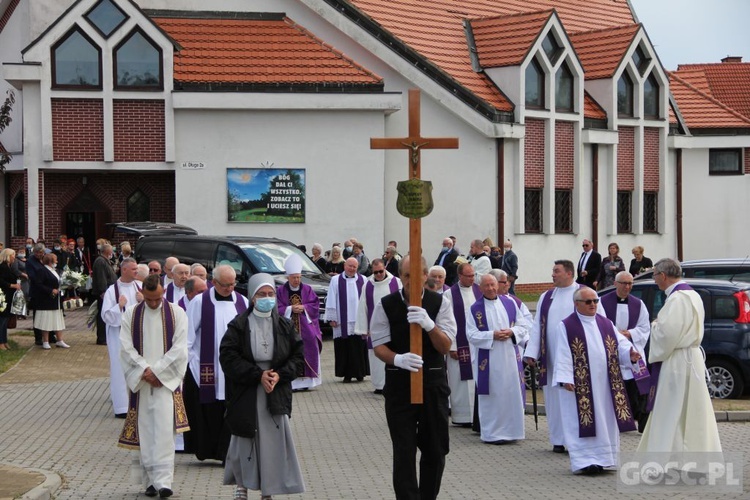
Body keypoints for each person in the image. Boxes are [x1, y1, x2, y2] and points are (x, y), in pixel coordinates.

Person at [370, 255, 455, 500]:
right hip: (399, 387)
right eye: (406, 275)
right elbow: (379, 344)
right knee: (404, 451)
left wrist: (430, 325)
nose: (411, 280)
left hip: (433, 385)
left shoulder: (440, 303)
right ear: (400, 276)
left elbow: (445, 345)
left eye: (416, 274)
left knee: (436, 449)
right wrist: (397, 359)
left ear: (426, 275)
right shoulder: (386, 304)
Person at [220, 273, 306, 500]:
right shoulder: (239, 325)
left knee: (272, 442)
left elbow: (298, 357)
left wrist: (278, 375)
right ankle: (242, 484)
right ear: (252, 297)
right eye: (262, 294)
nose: (267, 298)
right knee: (244, 438)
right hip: (248, 389)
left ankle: (270, 487)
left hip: (274, 390)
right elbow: (228, 357)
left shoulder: (285, 325)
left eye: (271, 294)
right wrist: (258, 375)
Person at [637, 258, 721, 455]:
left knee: (672, 410)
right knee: (691, 411)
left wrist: (654, 325)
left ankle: (670, 461)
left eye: (655, 275)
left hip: (677, 361)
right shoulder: (692, 294)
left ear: (663, 276)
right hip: (691, 359)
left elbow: (668, 335)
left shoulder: (677, 298)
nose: (655, 280)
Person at [553, 287, 640, 474]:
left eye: (595, 301)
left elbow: (621, 344)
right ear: (577, 304)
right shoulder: (567, 325)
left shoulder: (606, 323)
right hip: (579, 384)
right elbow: (562, 352)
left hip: (606, 383)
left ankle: (605, 459)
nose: (593, 304)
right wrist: (565, 377)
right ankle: (584, 461)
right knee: (580, 420)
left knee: (606, 420)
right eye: (588, 302)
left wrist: (630, 353)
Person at [118, 274, 189, 499]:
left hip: (164, 383)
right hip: (142, 382)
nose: (153, 304)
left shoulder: (177, 313)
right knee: (145, 431)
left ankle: (164, 481)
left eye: (157, 299)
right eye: (149, 300)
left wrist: (158, 371)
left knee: (165, 432)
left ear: (163, 292)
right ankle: (149, 481)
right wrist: (144, 370)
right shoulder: (132, 314)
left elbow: (179, 348)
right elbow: (126, 347)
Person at [524, 260, 603, 453]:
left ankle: (576, 439)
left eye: (556, 271)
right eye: (553, 271)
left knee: (575, 399)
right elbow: (537, 327)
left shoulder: (585, 294)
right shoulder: (547, 296)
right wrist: (531, 352)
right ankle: (558, 438)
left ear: (569, 273)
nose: (553, 274)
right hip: (551, 358)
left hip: (579, 359)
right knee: (553, 399)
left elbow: (599, 322)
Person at [184, 265, 249, 462]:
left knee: (233, 409)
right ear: (214, 282)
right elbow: (186, 336)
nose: (230, 288)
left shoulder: (242, 302)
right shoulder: (199, 302)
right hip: (206, 367)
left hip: (234, 368)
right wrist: (189, 363)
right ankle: (208, 450)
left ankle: (227, 453)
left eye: (233, 284)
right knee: (210, 411)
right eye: (225, 285)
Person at [467, 274, 530, 444]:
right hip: (489, 360)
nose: (491, 288)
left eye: (493, 285)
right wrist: (492, 335)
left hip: (510, 357)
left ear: (498, 286)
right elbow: (471, 335)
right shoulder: (475, 309)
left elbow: (523, 325)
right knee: (493, 395)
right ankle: (492, 433)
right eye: (486, 285)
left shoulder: (510, 303)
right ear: (480, 288)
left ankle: (512, 432)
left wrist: (511, 332)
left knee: (511, 392)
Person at [600, 271, 651, 432]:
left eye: (630, 284)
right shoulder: (602, 302)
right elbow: (600, 323)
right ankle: (615, 423)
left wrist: (629, 334)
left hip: (634, 352)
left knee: (641, 390)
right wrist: (616, 334)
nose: (627, 287)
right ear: (615, 284)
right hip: (612, 353)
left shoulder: (638, 304)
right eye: (624, 283)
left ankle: (642, 425)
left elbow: (644, 328)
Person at [102, 258, 144, 418]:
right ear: (124, 270)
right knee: (120, 369)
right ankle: (122, 407)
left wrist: (143, 301)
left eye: (137, 269)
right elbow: (106, 316)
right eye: (133, 269)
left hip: (138, 336)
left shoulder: (140, 287)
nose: (136, 272)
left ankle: (140, 404)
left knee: (139, 368)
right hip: (119, 336)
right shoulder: (112, 291)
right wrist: (118, 306)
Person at [354, 258, 401, 395]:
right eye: (376, 272)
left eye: (381, 271)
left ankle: (394, 383)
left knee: (393, 352)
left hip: (393, 326)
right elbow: (362, 307)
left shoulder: (396, 283)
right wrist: (364, 328)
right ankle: (379, 385)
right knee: (376, 357)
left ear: (385, 268)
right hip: (375, 328)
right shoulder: (367, 285)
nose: (379, 274)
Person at [277, 254, 323, 391]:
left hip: (306, 327)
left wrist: (304, 308)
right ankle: (292, 382)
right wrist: (290, 309)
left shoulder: (307, 289)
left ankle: (307, 382)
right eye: (294, 277)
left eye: (298, 277)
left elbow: (315, 305)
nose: (297, 280)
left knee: (310, 347)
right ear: (288, 277)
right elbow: (276, 308)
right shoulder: (281, 291)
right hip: (287, 329)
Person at [446, 262, 481, 427]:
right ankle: (462, 416)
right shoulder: (449, 295)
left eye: (473, 275)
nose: (472, 278)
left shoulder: (479, 291)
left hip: (476, 345)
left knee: (476, 379)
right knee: (459, 382)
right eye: (468, 275)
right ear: (460, 276)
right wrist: (451, 345)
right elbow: (446, 322)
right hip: (458, 345)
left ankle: (476, 416)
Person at [325, 257, 369, 382]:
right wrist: (332, 317)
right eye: (350, 266)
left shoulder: (363, 279)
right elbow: (331, 298)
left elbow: (366, 299)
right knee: (344, 347)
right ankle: (346, 374)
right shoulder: (335, 280)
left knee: (359, 347)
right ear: (344, 266)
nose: (352, 269)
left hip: (358, 319)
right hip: (341, 320)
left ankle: (360, 373)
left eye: (354, 267)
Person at [32, 253, 69, 349]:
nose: (57, 262)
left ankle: (60, 340)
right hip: (46, 301)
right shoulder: (42, 271)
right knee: (46, 321)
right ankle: (45, 341)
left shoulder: (56, 271)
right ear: (50, 261)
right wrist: (50, 290)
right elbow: (38, 284)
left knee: (57, 320)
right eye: (55, 260)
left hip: (56, 300)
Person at [26, 243, 56, 345]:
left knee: (50, 314)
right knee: (38, 315)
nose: (39, 254)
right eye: (37, 253)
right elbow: (32, 276)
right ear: (34, 252)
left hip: (48, 290)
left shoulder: (46, 259)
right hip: (37, 291)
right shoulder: (30, 261)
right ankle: (38, 337)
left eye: (41, 252)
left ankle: (51, 336)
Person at [92, 243, 118, 345]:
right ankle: (102, 338)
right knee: (102, 315)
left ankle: (105, 336)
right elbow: (101, 277)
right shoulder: (100, 261)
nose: (112, 252)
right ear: (107, 251)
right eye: (111, 250)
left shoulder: (105, 261)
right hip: (104, 293)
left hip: (108, 292)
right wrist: (103, 291)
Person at [0, 249, 22, 350]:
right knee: (2, 320)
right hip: (4, 296)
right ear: (8, 256)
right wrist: (12, 285)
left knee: (6, 319)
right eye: (13, 255)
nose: (14, 257)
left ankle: (4, 341)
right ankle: (1, 342)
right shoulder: (3, 267)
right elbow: (1, 281)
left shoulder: (9, 266)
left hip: (9, 296)